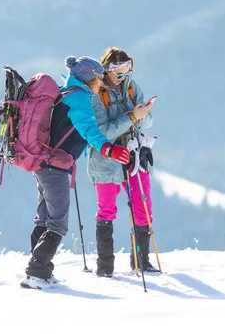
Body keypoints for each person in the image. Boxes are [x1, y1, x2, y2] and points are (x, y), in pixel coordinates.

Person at [22, 55, 131, 289]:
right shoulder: (80, 99)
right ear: (90, 77)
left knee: (44, 218)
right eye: (99, 78)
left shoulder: (66, 92)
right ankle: (37, 273)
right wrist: (108, 149)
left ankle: (40, 269)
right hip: (55, 168)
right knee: (58, 223)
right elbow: (88, 129)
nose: (102, 82)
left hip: (44, 164)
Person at [87, 46, 158, 277]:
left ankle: (141, 261)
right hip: (106, 157)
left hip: (134, 154)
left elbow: (147, 122)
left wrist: (143, 114)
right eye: (117, 68)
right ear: (106, 69)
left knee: (143, 206)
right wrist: (132, 117)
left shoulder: (130, 87)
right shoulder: (97, 94)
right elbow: (102, 132)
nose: (122, 73)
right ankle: (105, 267)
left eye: (127, 68)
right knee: (107, 210)